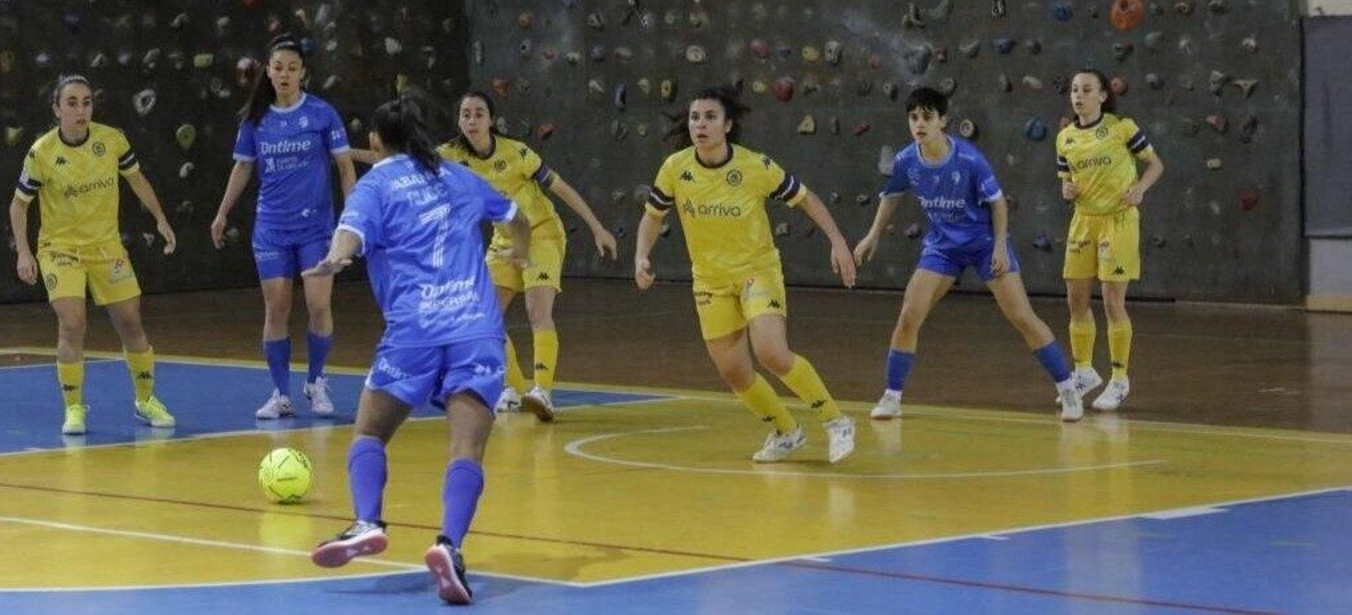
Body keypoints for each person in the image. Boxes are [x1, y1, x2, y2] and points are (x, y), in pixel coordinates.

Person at [306, 95, 532, 606]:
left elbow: (350, 233)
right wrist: (521, 252)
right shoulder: (457, 175)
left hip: (415, 331)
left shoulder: (379, 182)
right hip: (477, 328)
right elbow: (518, 216)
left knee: (369, 431)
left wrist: (334, 260)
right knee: (466, 449)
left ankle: (368, 521)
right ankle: (449, 546)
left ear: (376, 142)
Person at [633, 85, 858, 464]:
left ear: (727, 125)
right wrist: (641, 255)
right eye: (694, 117)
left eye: (709, 117)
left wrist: (837, 240)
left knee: (771, 352)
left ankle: (836, 421)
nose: (700, 124)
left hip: (757, 272)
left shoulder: (755, 167)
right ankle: (787, 431)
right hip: (710, 281)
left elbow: (805, 198)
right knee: (734, 373)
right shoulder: (675, 168)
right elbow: (652, 217)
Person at [853, 88, 1083, 422]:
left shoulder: (969, 159)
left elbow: (998, 203)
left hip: (984, 244)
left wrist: (1001, 246)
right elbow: (892, 195)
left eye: (927, 117)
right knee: (908, 315)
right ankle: (891, 396)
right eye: (914, 117)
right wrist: (873, 234)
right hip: (943, 248)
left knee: (1022, 317)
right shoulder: (906, 160)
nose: (920, 123)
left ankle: (1067, 388)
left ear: (942, 121)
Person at [9, 74, 177, 435]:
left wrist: (161, 218)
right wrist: (24, 253)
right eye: (71, 103)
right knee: (72, 321)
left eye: (86, 102)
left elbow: (137, 179)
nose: (80, 109)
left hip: (106, 247)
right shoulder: (42, 153)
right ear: (57, 109)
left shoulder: (112, 140)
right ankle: (73, 409)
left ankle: (146, 400)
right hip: (60, 250)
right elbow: (18, 206)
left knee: (131, 320)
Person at [440, 91, 618, 421]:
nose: (472, 120)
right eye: (466, 114)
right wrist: (347, 152)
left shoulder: (517, 152)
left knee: (538, 311)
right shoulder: (449, 155)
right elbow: (399, 164)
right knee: (484, 317)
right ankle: (513, 388)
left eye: (479, 113)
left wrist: (597, 227)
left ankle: (543, 391)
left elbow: (561, 188)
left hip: (542, 234)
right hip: (504, 239)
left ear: (491, 120)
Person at [211, 36, 356, 419]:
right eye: (278, 67)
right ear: (268, 71)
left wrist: (354, 217)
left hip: (317, 228)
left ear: (303, 73)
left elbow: (344, 167)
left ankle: (317, 381)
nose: (285, 74)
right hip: (272, 229)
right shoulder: (256, 120)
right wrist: (223, 212)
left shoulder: (323, 114)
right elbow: (242, 167)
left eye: (293, 68)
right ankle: (280, 393)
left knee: (318, 304)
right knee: (276, 307)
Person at [1056, 69, 1165, 412]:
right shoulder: (1065, 138)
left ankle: (1119, 378)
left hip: (1117, 221)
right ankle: (1084, 371)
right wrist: (1067, 189)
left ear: (1102, 95)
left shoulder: (1122, 128)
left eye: (1086, 89)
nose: (1079, 95)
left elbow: (1155, 164)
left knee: (1112, 302)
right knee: (1075, 301)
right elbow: (1066, 181)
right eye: (1074, 89)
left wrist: (1140, 189)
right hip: (1083, 222)